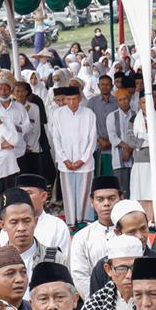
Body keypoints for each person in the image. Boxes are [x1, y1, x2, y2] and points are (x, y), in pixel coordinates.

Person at [49, 84, 98, 224]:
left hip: (85, 162)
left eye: (74, 99)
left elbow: (92, 139)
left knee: (85, 191)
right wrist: (64, 159)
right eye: (68, 99)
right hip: (66, 163)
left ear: (80, 98)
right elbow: (56, 138)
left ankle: (86, 219)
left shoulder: (89, 114)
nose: (71, 103)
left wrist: (82, 160)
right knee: (68, 192)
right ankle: (71, 221)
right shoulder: (57, 114)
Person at [69, 175, 121, 300]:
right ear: (92, 202)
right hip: (95, 303)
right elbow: (79, 275)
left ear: (121, 199)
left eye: (112, 198)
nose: (106, 203)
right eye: (100, 199)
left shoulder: (132, 231)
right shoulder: (82, 237)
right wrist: (95, 301)